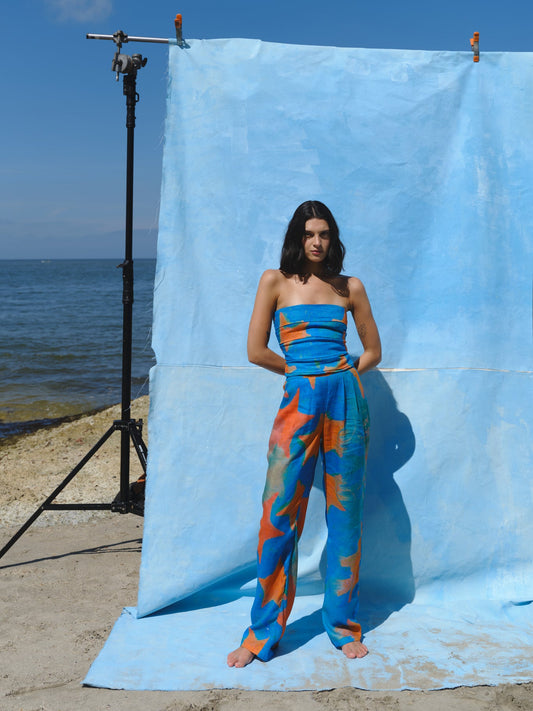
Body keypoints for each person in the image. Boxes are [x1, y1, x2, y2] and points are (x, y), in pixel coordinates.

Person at [227, 201, 381, 668]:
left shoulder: (349, 287)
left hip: (346, 402)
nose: (317, 242)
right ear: (298, 237)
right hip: (299, 401)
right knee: (278, 514)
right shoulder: (274, 281)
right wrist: (299, 370)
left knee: (346, 516)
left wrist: (343, 372)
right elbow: (256, 350)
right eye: (310, 233)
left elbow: (373, 351)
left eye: (325, 234)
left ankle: (343, 625)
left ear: (333, 239)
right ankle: (262, 633)